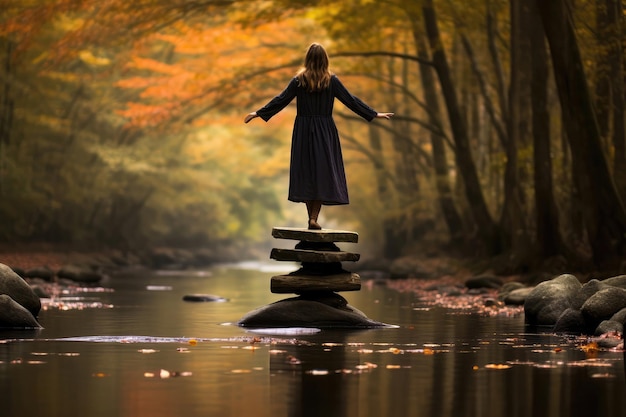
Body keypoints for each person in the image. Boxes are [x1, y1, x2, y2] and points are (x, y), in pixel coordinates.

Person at [245, 43, 394, 230]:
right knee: (322, 173)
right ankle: (313, 218)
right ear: (325, 60)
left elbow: (280, 100)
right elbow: (351, 100)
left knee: (308, 172)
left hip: (304, 130)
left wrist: (258, 113)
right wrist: (373, 114)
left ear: (307, 59)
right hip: (325, 130)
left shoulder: (298, 81)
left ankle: (311, 218)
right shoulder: (332, 81)